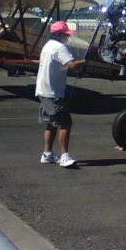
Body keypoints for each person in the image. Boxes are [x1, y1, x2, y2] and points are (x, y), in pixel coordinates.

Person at [36, 21, 86, 168]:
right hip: (53, 92)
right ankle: (64, 156)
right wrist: (85, 61)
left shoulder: (48, 45)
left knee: (52, 123)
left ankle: (47, 154)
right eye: (65, 35)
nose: (67, 38)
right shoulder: (60, 47)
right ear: (60, 35)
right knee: (66, 123)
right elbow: (72, 65)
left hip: (43, 90)